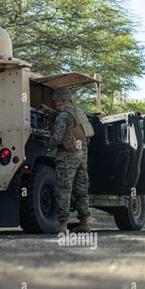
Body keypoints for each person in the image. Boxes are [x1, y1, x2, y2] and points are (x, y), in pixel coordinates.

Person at [47, 88, 92, 233]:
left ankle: (62, 225)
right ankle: (84, 223)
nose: (55, 103)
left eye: (56, 100)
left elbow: (57, 137)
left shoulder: (62, 116)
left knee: (63, 190)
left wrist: (47, 146)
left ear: (64, 100)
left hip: (67, 156)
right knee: (81, 190)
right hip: (82, 156)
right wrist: (49, 111)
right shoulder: (79, 113)